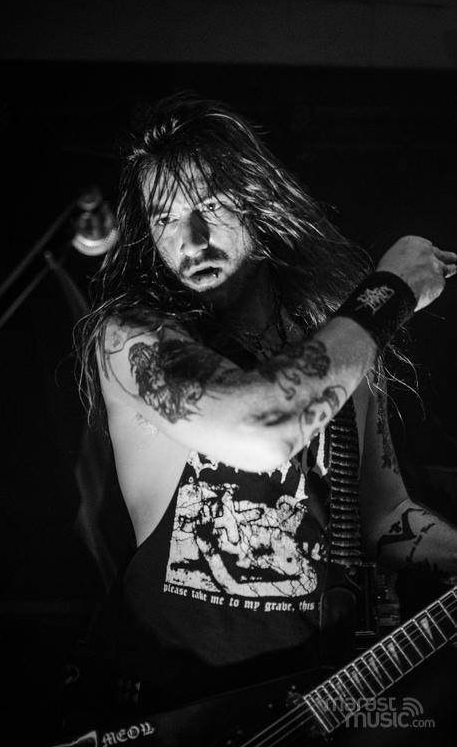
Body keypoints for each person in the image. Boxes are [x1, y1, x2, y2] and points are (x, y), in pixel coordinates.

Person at [78, 92, 457, 719]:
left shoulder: (338, 351)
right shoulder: (133, 338)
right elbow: (261, 427)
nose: (190, 239)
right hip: (182, 710)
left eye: (208, 206)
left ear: (258, 202)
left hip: (307, 704)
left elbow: (384, 516)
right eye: (165, 218)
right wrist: (389, 293)